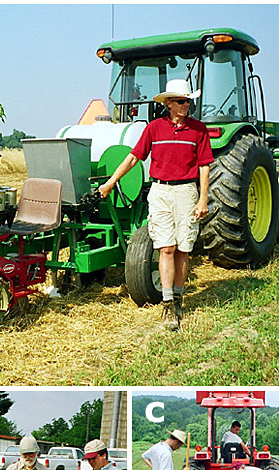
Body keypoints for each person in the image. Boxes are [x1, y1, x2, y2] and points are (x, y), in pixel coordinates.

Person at [99, 78, 213, 330]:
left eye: (188, 101)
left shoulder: (199, 130)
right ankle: (168, 303)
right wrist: (110, 182)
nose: (187, 105)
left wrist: (203, 198)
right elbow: (132, 158)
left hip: (186, 192)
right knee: (166, 248)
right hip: (160, 192)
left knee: (183, 248)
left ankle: (180, 297)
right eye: (182, 101)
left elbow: (204, 167)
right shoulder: (153, 129)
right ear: (169, 103)